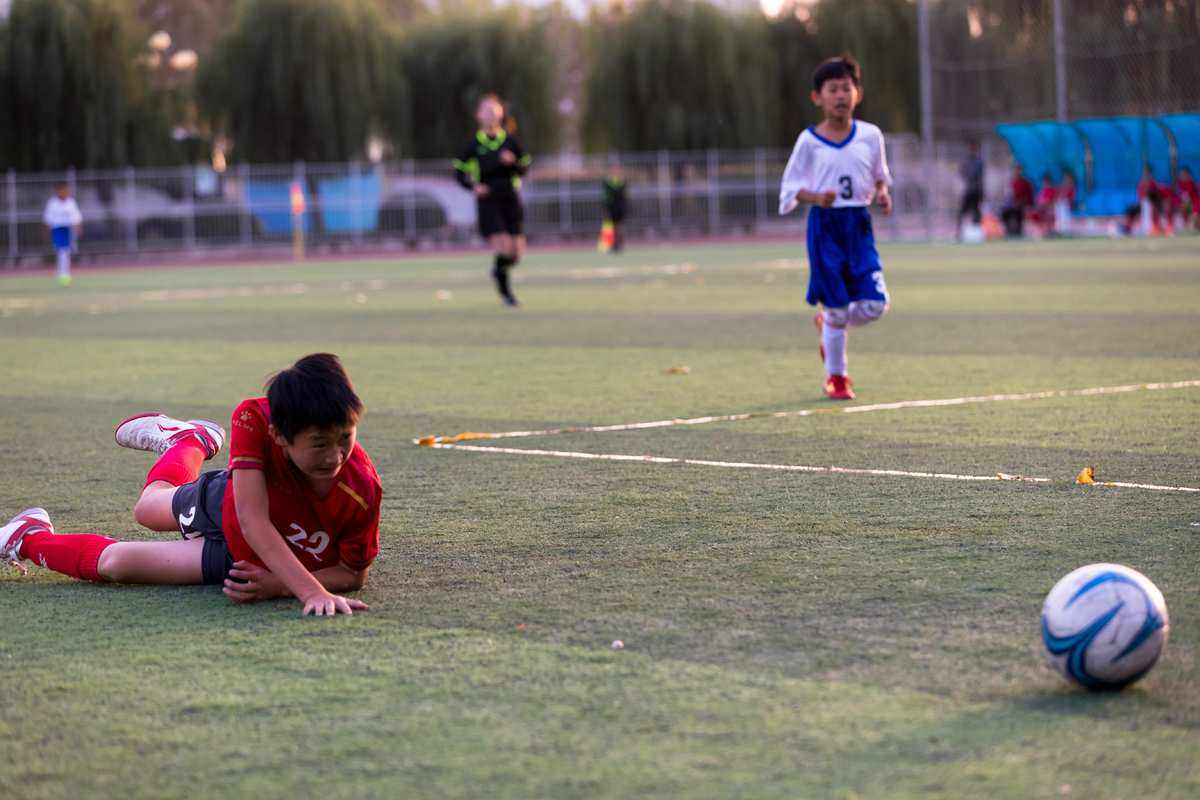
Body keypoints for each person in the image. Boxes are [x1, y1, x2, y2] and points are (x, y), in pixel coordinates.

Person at [1, 353, 381, 617]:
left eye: (345, 438)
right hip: (232, 502)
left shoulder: (361, 489)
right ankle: (189, 441)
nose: (335, 456)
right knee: (147, 510)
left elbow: (352, 574)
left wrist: (277, 585)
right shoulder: (254, 418)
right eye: (319, 444)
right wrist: (309, 591)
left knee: (116, 564)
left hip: (247, 562)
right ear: (279, 436)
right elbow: (252, 518)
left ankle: (27, 536)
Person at [778, 55, 893, 401]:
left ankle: (828, 324)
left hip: (858, 225)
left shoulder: (871, 136)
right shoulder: (809, 142)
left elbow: (879, 176)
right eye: (833, 89)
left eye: (847, 88)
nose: (841, 95)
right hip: (825, 228)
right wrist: (815, 196)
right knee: (838, 307)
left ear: (857, 93)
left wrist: (883, 194)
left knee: (875, 304)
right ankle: (837, 377)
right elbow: (788, 189)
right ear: (818, 97)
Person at [453, 94, 532, 306]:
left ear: (501, 113)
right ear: (478, 115)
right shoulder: (472, 146)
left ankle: (497, 270)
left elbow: (525, 168)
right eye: (485, 110)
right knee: (504, 246)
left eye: (494, 109)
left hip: (510, 199)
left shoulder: (510, 141)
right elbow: (459, 173)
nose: (490, 113)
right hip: (488, 200)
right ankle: (507, 295)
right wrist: (473, 186)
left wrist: (513, 162)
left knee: (517, 252)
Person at [43, 182, 82, 287]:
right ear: (58, 192)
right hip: (57, 229)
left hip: (67, 229)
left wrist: (77, 227)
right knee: (62, 251)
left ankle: (63, 273)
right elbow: (48, 218)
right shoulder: (52, 203)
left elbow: (76, 216)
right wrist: (47, 231)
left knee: (66, 252)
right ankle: (63, 274)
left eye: (66, 190)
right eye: (63, 190)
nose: (65, 192)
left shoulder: (70, 202)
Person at [957, 141, 984, 240]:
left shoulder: (979, 161)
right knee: (962, 212)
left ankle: (977, 233)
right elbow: (962, 173)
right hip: (968, 191)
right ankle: (959, 233)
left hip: (976, 191)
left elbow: (979, 176)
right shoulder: (966, 161)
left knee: (976, 212)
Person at [599, 165, 629, 254]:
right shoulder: (607, 182)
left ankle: (619, 244)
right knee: (610, 226)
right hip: (610, 207)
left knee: (619, 226)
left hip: (620, 207)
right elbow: (605, 196)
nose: (615, 171)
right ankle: (610, 245)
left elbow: (623, 195)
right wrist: (604, 207)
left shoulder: (622, 181)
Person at [1000, 165, 1035, 237]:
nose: (1017, 172)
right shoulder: (1012, 182)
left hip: (1023, 205)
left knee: (1018, 211)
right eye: (1015, 170)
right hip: (1013, 206)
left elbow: (1029, 198)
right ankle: (1007, 231)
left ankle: (1019, 231)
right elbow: (1009, 196)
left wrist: (1020, 203)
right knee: (1004, 211)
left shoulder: (1026, 183)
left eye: (1018, 170)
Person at [1174, 166, 1199, 230]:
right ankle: (1182, 226)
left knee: (1195, 214)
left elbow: (1196, 200)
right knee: (1179, 209)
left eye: (1185, 174)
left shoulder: (1192, 184)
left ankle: (1193, 225)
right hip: (1184, 206)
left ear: (1189, 175)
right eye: (1182, 174)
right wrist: (1180, 205)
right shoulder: (1179, 184)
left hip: (1194, 206)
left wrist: (1193, 211)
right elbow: (1177, 197)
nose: (1183, 176)